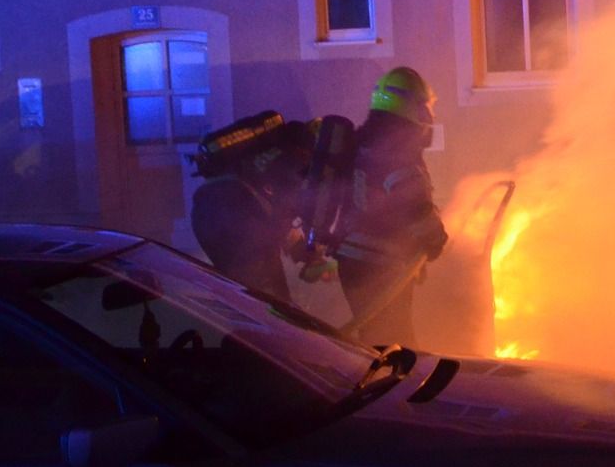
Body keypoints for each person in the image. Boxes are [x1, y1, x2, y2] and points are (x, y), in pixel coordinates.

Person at [331, 67, 449, 345]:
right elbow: (414, 205)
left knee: (375, 336)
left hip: (351, 259)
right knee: (395, 343)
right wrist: (435, 239)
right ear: (415, 109)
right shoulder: (397, 151)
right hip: (379, 263)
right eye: (426, 107)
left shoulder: (363, 145)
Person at [189, 112, 313, 302]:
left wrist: (300, 251)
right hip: (237, 216)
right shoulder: (292, 162)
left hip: (205, 212)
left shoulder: (270, 152)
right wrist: (306, 253)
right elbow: (284, 213)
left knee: (241, 290)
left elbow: (277, 214)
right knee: (267, 300)